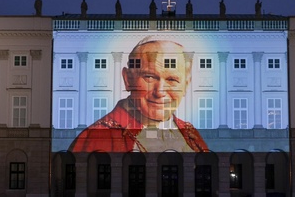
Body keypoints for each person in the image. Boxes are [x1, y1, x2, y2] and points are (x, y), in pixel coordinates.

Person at [69, 37, 208, 153]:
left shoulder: (191, 134)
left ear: (186, 85)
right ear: (128, 79)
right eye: (149, 77)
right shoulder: (96, 136)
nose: (160, 91)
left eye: (172, 80)